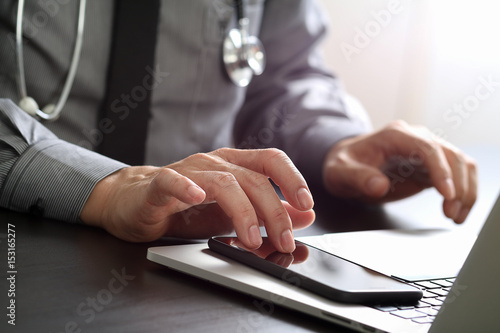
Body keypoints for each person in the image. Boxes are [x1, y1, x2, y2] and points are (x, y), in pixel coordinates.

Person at [0, 0, 476, 254]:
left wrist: (335, 144)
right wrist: (104, 188)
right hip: (23, 248)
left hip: (194, 245)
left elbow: (281, 72)